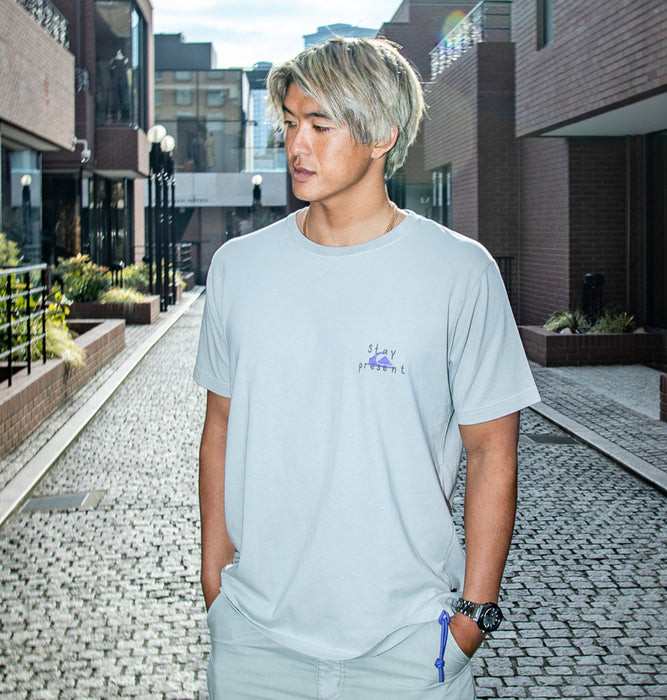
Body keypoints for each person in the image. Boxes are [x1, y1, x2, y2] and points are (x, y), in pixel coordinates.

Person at [194, 37, 540, 698]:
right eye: (290, 122)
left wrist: (473, 618)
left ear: (382, 134)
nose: (297, 144)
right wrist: (216, 585)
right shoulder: (238, 268)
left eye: (319, 125)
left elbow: (492, 450)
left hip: (410, 648)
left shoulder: (459, 272)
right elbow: (220, 429)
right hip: (255, 643)